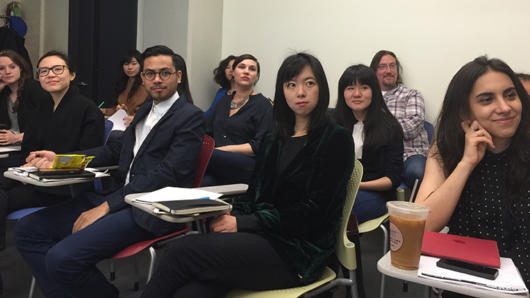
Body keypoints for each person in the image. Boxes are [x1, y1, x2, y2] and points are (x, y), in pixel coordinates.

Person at [141, 53, 355, 298]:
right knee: (191, 292)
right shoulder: (276, 137)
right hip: (261, 239)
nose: (300, 92)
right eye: (291, 85)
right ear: (282, 90)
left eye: (309, 83)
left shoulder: (335, 138)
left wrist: (242, 223)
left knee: (182, 250)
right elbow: (255, 193)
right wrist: (232, 214)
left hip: (298, 252)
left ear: (321, 87)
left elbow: (314, 213)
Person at [14, 45, 205, 298]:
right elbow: (114, 153)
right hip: (116, 196)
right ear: (142, 77)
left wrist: (106, 207)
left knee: (62, 257)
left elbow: (167, 174)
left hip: (145, 208)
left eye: (164, 73)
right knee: (28, 230)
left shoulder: (190, 117)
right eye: (149, 74)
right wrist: (61, 159)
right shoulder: (145, 110)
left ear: (178, 76)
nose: (156, 79)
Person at [415, 56, 530, 290]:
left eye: (510, 95)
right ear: (464, 111)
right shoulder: (445, 150)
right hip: (472, 281)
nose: (505, 107)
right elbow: (422, 227)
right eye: (487, 99)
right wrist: (466, 164)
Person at [0, 51, 104, 250]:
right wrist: (31, 160)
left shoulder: (87, 109)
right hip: (33, 175)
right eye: (44, 71)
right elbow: (29, 148)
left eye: (58, 69)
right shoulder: (41, 107)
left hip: (63, 184)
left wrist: (52, 162)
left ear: (72, 74)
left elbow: (89, 156)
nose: (50, 74)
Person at [335, 64, 403, 224]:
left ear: (374, 91)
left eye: (364, 87)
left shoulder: (390, 127)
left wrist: (358, 186)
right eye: (350, 88)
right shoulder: (332, 122)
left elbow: (393, 179)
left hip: (374, 193)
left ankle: (343, 248)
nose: (357, 94)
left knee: (343, 207)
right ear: (342, 92)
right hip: (337, 190)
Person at [202, 54, 273, 186]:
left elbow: (257, 147)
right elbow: (207, 132)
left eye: (252, 69)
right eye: (242, 67)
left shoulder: (263, 105)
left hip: (245, 165)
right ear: (232, 73)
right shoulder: (223, 101)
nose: (246, 71)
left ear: (256, 77)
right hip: (218, 164)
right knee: (198, 184)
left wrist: (220, 151)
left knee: (201, 154)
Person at [370, 50, 429, 189]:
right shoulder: (368, 98)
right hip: (381, 156)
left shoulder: (411, 95)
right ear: (374, 71)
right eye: (382, 66)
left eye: (392, 66)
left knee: (417, 172)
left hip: (410, 154)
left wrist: (377, 130)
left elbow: (411, 127)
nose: (388, 70)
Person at [0, 50, 49, 169]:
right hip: (10, 148)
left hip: (32, 149)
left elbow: (48, 125)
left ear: (20, 68)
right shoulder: (4, 92)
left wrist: (17, 137)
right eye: (1, 68)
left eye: (12, 67)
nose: (7, 72)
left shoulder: (34, 89)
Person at [101, 50, 149, 127]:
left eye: (134, 64)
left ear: (141, 65)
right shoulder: (123, 83)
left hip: (138, 124)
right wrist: (105, 111)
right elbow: (117, 109)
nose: (130, 67)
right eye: (126, 64)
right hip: (121, 123)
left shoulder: (146, 84)